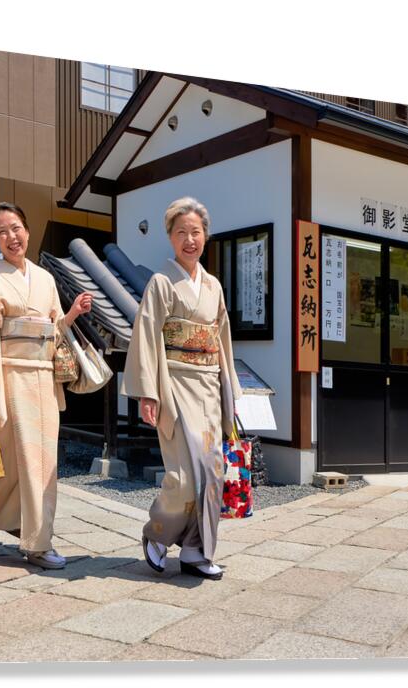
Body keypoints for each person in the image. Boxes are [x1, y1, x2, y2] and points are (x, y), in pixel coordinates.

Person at [122, 197, 241, 581]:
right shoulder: (161, 283)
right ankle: (157, 534)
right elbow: (145, 336)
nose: (189, 240)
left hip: (207, 386)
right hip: (174, 384)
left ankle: (196, 550)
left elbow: (221, 342)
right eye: (181, 233)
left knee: (213, 473)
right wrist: (148, 392)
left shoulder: (214, 287)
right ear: (170, 238)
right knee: (183, 478)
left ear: (206, 235)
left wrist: (230, 392)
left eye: (196, 232)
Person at [0, 202, 93, 569]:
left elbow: (53, 332)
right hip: (9, 376)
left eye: (17, 227)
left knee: (42, 463)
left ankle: (37, 541)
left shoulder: (45, 279)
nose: (12, 236)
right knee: (14, 461)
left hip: (41, 377)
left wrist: (71, 316)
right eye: (3, 231)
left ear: (27, 230)